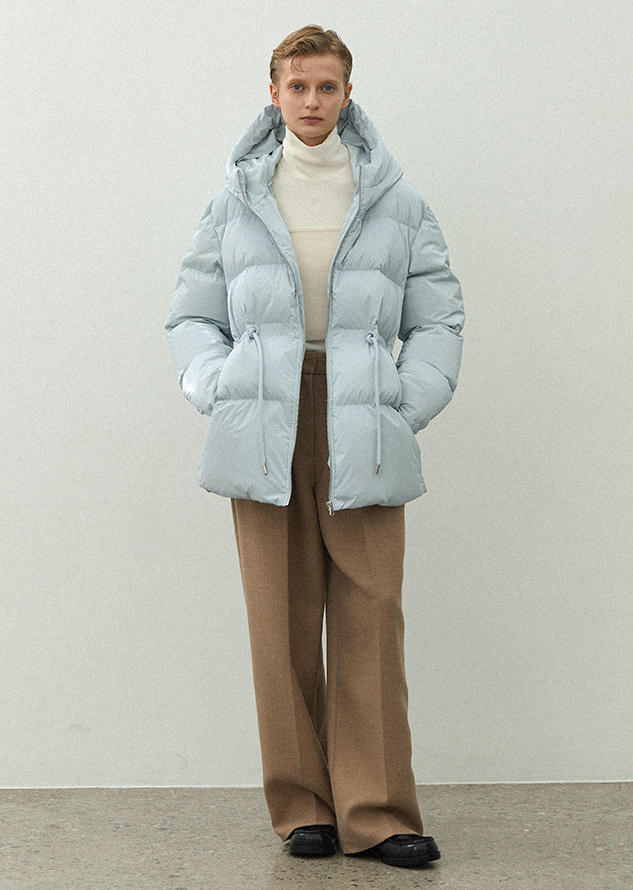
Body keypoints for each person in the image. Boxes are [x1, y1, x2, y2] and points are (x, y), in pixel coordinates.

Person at [166, 25, 464, 869]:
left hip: (363, 414)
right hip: (263, 419)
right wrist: (220, 387)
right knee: (280, 616)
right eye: (297, 86)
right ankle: (303, 808)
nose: (311, 101)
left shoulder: (396, 200)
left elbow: (439, 317)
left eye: (326, 86)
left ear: (347, 95)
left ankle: (378, 812)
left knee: (371, 610)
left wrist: (403, 402)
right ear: (274, 94)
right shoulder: (236, 199)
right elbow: (191, 315)